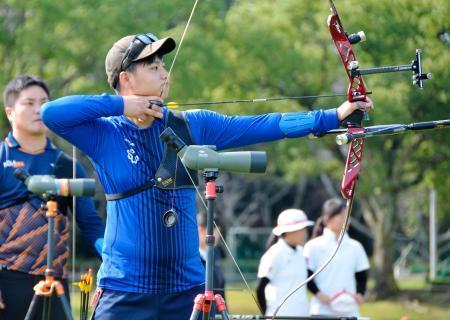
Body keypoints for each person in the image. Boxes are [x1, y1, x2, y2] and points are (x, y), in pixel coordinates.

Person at [40, 32, 373, 319]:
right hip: (123, 290)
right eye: (153, 66)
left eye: (163, 65)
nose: (164, 73)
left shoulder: (191, 124)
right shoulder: (104, 134)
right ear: (125, 78)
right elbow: (52, 113)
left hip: (187, 291)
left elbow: (263, 125)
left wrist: (333, 116)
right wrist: (123, 106)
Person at [0, 75, 105, 320]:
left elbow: (90, 224)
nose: (39, 109)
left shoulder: (67, 164)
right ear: (9, 112)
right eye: (29, 103)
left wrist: (112, 258)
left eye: (44, 102)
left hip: (54, 285)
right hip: (6, 283)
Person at [303, 198, 370, 317]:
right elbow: (307, 275)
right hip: (321, 311)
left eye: (347, 216)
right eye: (341, 216)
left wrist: (360, 293)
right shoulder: (313, 246)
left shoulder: (355, 246)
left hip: (349, 311)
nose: (346, 220)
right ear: (327, 219)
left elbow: (362, 275)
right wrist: (319, 295)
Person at [256, 209, 314, 316]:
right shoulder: (275, 253)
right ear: (288, 231)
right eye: (302, 229)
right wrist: (266, 315)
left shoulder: (302, 252)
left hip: (302, 315)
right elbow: (260, 288)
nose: (305, 234)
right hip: (279, 315)